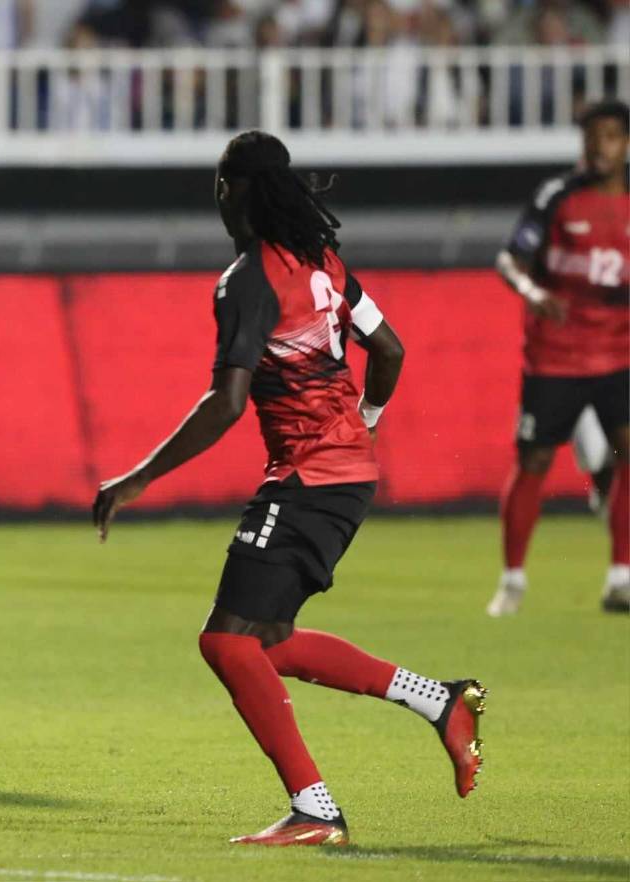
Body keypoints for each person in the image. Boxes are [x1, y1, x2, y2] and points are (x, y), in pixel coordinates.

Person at [92, 130, 485, 846]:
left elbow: (227, 402)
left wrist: (137, 478)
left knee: (224, 643)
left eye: (220, 183)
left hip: (307, 478)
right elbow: (389, 349)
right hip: (345, 475)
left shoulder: (245, 280)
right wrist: (366, 419)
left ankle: (315, 809)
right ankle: (440, 701)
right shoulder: (323, 262)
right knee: (265, 641)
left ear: (232, 191)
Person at [487, 99, 629, 616]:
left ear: (626, 143)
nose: (600, 146)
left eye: (611, 136)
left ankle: (622, 575)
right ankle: (513, 580)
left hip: (619, 355)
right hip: (556, 357)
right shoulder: (557, 196)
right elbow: (509, 257)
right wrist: (530, 290)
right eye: (592, 136)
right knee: (535, 461)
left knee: (627, 453)